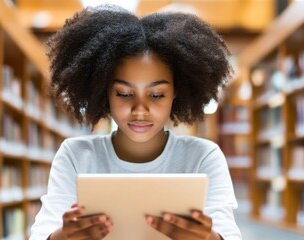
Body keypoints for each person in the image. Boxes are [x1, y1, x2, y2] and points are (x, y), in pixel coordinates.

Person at [30, 4, 242, 240]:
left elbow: (228, 233)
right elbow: (42, 232)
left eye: (156, 95)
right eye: (123, 93)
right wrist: (60, 237)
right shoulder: (76, 155)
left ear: (176, 92)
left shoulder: (203, 157)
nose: (140, 110)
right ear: (104, 92)